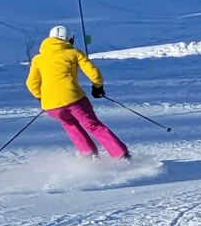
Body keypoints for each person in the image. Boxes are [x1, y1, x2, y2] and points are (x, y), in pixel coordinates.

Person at [25, 25, 127, 159]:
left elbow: (31, 83)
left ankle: (89, 156)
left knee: (70, 125)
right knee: (93, 125)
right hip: (74, 99)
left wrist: (42, 98)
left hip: (51, 106)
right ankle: (120, 155)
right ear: (69, 39)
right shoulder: (74, 53)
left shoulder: (38, 59)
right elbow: (94, 73)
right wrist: (97, 88)